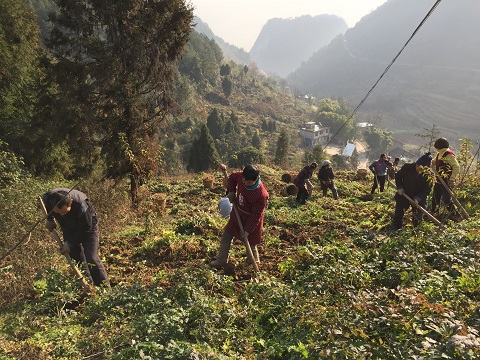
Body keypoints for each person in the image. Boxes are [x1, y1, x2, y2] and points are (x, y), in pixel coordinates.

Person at [43, 188, 110, 287]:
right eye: (59, 213)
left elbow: (86, 229)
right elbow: (46, 208)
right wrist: (50, 219)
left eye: (65, 212)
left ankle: (105, 288)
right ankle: (89, 287)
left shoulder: (82, 205)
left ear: (70, 202)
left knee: (91, 258)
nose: (62, 215)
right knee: (77, 259)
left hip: (88, 227)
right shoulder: (47, 198)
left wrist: (70, 243)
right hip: (68, 228)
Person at [210, 165, 269, 269]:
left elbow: (256, 216)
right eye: (245, 181)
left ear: (256, 179)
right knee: (227, 235)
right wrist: (232, 192)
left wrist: (247, 230)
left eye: (249, 182)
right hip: (237, 214)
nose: (246, 184)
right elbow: (232, 177)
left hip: (251, 220)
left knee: (250, 243)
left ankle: (253, 263)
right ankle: (221, 260)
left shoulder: (261, 195)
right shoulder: (242, 177)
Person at [392, 153, 433, 230]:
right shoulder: (407, 167)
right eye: (419, 168)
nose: (421, 171)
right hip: (404, 194)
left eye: (423, 169)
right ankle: (396, 230)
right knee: (398, 215)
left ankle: (416, 233)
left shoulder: (429, 175)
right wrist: (400, 187)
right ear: (416, 164)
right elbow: (398, 177)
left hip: (419, 197)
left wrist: (418, 198)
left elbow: (427, 190)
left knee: (417, 218)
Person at [430, 137, 460, 215]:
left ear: (438, 146)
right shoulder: (439, 154)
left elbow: (456, 166)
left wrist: (451, 179)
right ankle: (434, 213)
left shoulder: (448, 154)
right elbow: (433, 162)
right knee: (436, 198)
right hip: (438, 180)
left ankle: (455, 215)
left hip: (446, 181)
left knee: (446, 199)